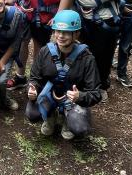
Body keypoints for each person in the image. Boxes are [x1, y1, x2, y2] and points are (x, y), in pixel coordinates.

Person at [25, 10, 101, 140]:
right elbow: (34, 78)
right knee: (32, 114)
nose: (60, 36)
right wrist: (32, 90)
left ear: (76, 34)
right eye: (58, 31)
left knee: (80, 128)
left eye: (66, 32)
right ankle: (50, 116)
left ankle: (67, 117)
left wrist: (80, 96)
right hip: (50, 93)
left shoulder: (87, 58)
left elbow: (95, 93)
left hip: (72, 98)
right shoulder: (45, 52)